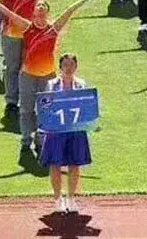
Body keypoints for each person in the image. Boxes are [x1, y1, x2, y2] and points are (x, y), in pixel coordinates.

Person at [0, 0, 98, 159]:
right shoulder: (26, 26)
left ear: (47, 13)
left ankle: (40, 140)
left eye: (44, 8)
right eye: (38, 8)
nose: (41, 10)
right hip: (27, 76)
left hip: (48, 78)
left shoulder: (53, 29)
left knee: (44, 111)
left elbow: (69, 11)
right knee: (26, 110)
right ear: (34, 13)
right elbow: (8, 12)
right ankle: (25, 141)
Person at [42, 53, 93, 214]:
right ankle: (58, 199)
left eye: (71, 65)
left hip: (75, 130)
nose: (68, 68)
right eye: (65, 65)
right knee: (55, 165)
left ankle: (71, 198)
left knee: (74, 164)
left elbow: (87, 107)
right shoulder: (51, 85)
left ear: (76, 67)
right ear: (60, 67)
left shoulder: (81, 85)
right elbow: (45, 107)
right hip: (56, 131)